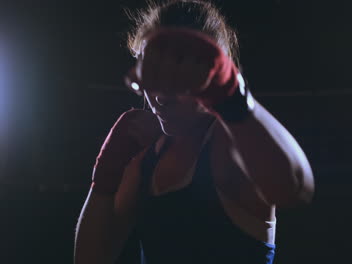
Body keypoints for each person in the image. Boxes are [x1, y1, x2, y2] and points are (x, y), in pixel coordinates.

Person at [74, 1, 314, 263]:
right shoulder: (145, 159)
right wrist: (104, 178)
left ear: (206, 73)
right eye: (153, 75)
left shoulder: (227, 146)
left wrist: (233, 97)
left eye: (173, 78)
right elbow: (90, 259)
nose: (160, 98)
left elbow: (296, 189)